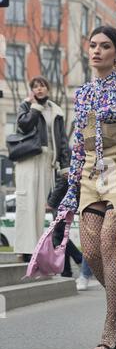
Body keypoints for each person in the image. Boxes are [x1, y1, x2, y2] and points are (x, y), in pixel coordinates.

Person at [58, 26, 116, 349]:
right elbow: (78, 147)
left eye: (105, 46)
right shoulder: (81, 93)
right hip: (89, 173)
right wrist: (72, 188)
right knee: (91, 250)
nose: (97, 50)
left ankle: (112, 323)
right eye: (93, 45)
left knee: (110, 242)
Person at [15, 76, 70, 263]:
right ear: (31, 90)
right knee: (27, 205)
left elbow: (62, 140)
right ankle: (24, 250)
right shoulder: (25, 106)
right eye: (35, 86)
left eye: (42, 86)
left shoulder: (56, 110)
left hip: (48, 163)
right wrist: (34, 107)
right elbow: (24, 125)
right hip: (29, 161)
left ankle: (36, 250)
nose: (39, 89)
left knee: (41, 208)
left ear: (48, 88)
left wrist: (65, 166)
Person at [47, 176, 83, 278]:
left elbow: (64, 176)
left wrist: (51, 202)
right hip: (63, 199)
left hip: (63, 199)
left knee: (59, 235)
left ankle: (79, 259)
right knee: (61, 236)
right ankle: (67, 271)